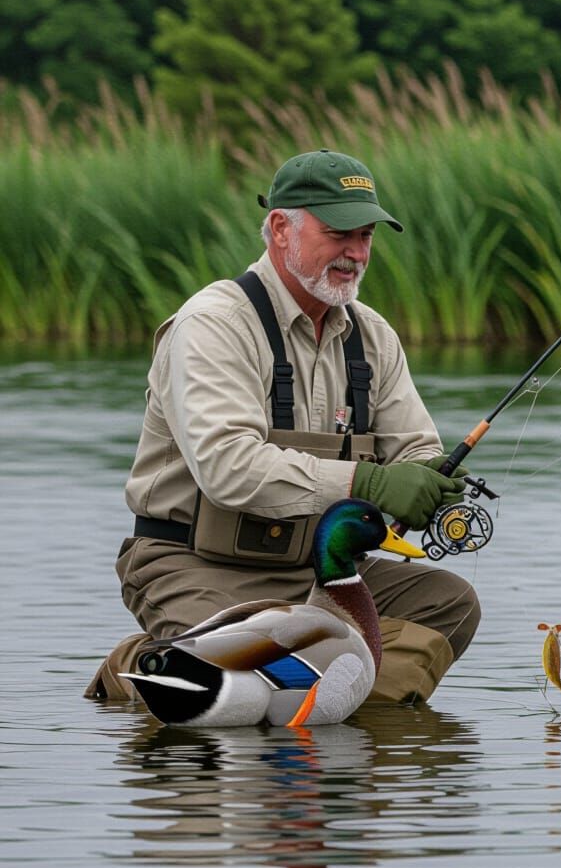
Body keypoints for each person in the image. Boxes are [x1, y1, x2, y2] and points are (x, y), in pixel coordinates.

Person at [86, 149, 481, 706]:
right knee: (236, 686)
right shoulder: (213, 324)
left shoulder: (374, 335)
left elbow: (416, 448)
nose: (356, 253)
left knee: (448, 602)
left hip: (320, 573)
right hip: (198, 565)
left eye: (366, 235)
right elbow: (228, 468)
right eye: (339, 232)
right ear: (280, 228)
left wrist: (431, 484)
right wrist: (368, 485)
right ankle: (137, 667)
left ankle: (337, 704)